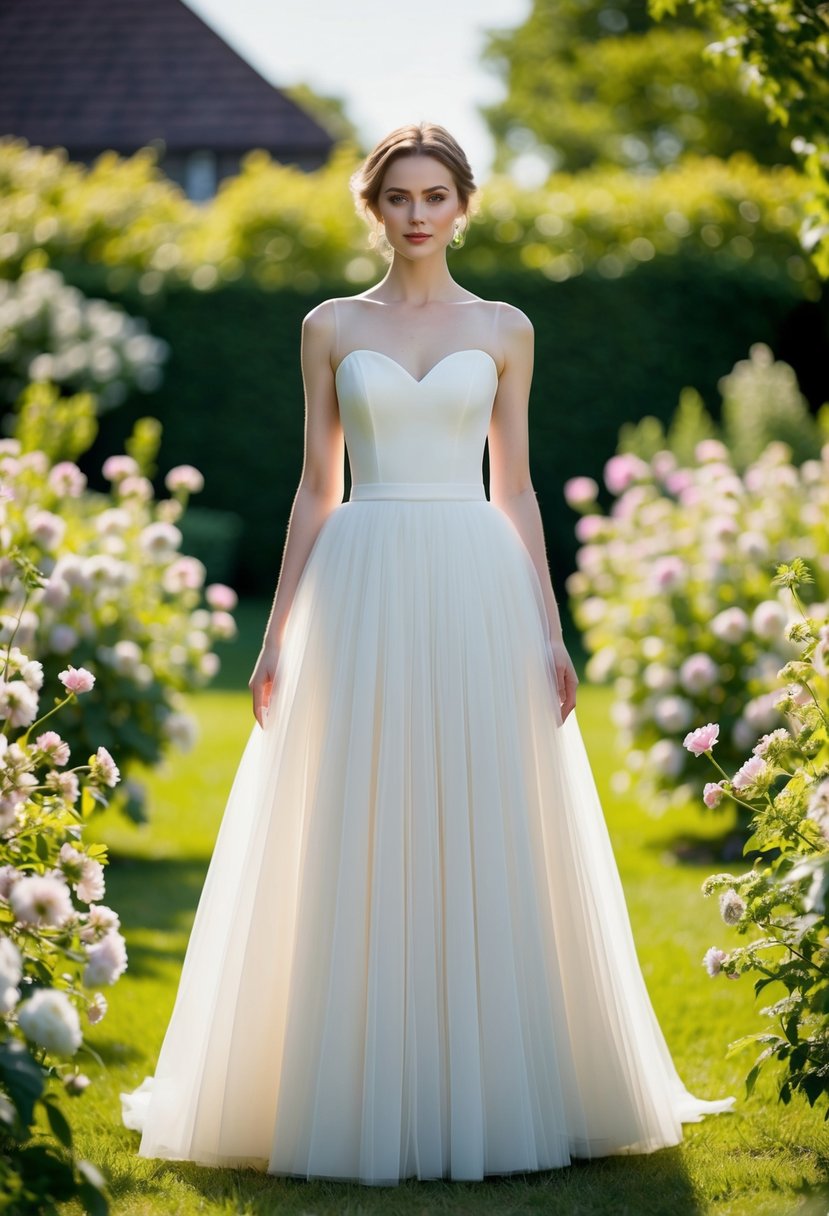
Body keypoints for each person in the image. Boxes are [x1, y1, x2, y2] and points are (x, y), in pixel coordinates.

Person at [120, 121, 735, 1185]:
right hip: (359, 578)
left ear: (462, 204)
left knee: (483, 814)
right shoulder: (327, 325)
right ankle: (345, 1075)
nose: (416, 214)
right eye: (398, 196)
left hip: (473, 578)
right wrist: (275, 632)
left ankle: (494, 1076)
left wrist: (548, 626)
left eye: (434, 195)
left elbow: (518, 486)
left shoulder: (504, 326)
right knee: (352, 815)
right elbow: (317, 486)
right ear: (374, 205)